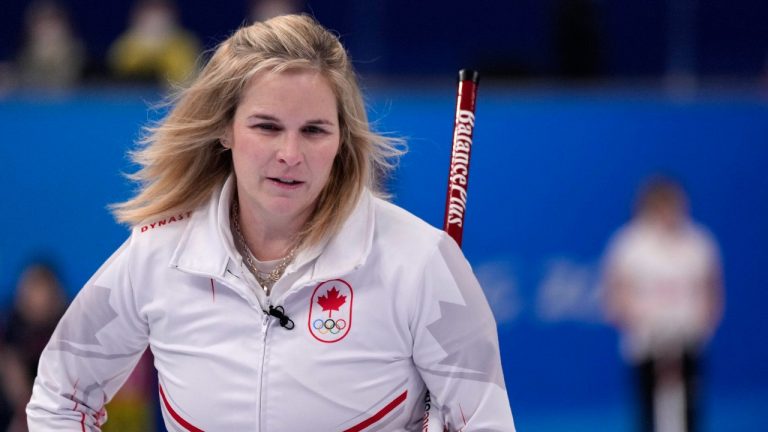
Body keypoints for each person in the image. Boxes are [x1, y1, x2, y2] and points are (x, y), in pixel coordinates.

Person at [28, 14, 515, 431]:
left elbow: (484, 421)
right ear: (225, 128)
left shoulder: (421, 261)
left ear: (342, 139)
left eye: (314, 131)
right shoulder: (158, 253)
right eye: (266, 126)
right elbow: (60, 393)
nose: (290, 155)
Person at [602, 176, 723, 432]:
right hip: (646, 344)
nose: (670, 212)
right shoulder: (629, 245)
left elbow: (712, 290)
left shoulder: (699, 242)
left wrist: (702, 324)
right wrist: (637, 319)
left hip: (689, 341)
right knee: (647, 415)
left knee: (691, 411)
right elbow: (614, 294)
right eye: (663, 205)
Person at [1, 262, 68, 432]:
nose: (37, 298)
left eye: (43, 290)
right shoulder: (8, 330)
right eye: (32, 289)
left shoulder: (71, 331)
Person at [107, 0, 200, 86]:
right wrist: (144, 49)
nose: (155, 18)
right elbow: (117, 71)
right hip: (131, 99)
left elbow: (187, 76)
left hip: (168, 98)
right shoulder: (127, 42)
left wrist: (163, 51)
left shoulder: (184, 42)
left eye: (160, 10)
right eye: (149, 9)